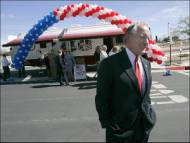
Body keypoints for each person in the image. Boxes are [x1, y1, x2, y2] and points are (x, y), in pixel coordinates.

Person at [95, 22, 156, 142]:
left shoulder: (146, 64)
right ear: (127, 39)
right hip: (119, 134)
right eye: (143, 36)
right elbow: (101, 99)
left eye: (148, 38)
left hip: (143, 130)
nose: (147, 42)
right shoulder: (109, 64)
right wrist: (110, 125)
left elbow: (145, 97)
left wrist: (150, 117)